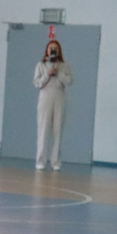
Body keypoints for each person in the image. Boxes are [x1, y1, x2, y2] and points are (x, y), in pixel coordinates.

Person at [34, 39, 72, 170]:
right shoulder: (41, 65)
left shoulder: (64, 65)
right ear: (47, 50)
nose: (53, 50)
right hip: (45, 97)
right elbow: (37, 83)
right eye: (50, 48)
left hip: (59, 97)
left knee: (57, 130)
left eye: (55, 48)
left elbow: (68, 81)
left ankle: (55, 162)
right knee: (43, 130)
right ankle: (40, 161)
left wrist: (58, 73)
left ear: (59, 50)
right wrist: (47, 74)